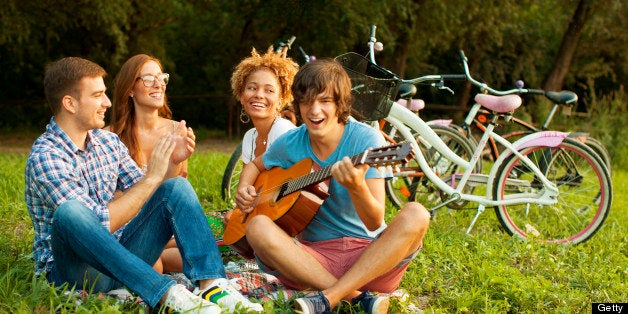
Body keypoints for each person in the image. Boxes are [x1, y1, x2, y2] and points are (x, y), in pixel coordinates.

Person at [24, 56, 263, 313]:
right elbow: (99, 224)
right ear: (69, 103)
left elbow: (151, 200)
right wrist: (151, 177)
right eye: (97, 95)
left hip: (123, 261)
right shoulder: (46, 157)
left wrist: (171, 165)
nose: (106, 102)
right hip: (77, 272)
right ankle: (166, 293)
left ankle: (212, 284)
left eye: (105, 94)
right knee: (69, 213)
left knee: (176, 188)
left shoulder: (107, 142)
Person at [235, 59, 430, 314]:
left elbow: (374, 222)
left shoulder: (366, 139)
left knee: (417, 213)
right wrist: (244, 188)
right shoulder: (291, 142)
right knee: (257, 226)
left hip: (370, 259)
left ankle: (332, 296)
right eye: (306, 101)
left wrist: (357, 186)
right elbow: (256, 165)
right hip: (313, 261)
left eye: (325, 101)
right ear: (297, 104)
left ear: (341, 103)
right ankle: (359, 300)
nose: (314, 111)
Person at [106, 54, 190, 274]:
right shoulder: (108, 136)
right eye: (148, 78)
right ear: (130, 89)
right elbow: (112, 200)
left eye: (161, 77)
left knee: (189, 253)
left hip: (164, 224)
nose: (158, 84)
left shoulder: (176, 130)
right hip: (125, 226)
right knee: (171, 261)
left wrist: (176, 161)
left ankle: (151, 253)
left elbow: (174, 193)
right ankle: (151, 255)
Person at [223, 47, 299, 224]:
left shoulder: (283, 131)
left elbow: (291, 187)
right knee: (229, 219)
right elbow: (249, 185)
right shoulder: (250, 136)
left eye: (269, 91)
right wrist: (242, 200)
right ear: (242, 96)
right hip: (263, 211)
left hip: (286, 213)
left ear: (281, 100)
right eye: (252, 88)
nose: (259, 95)